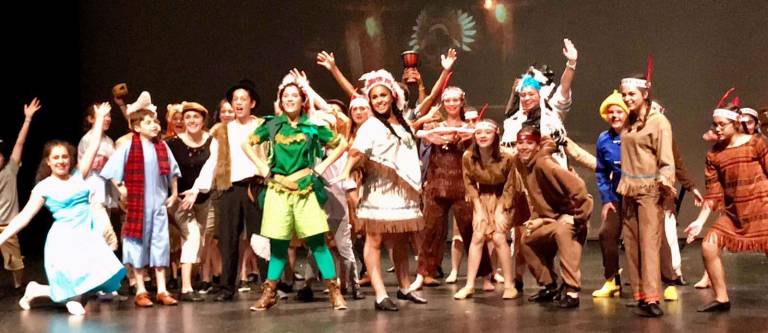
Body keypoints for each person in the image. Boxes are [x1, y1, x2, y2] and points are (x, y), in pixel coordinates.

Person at [0, 102, 125, 316]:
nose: (61, 161)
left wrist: (99, 119)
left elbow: (94, 146)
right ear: (48, 161)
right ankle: (66, 299)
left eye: (65, 157)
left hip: (86, 234)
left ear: (70, 159)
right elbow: (24, 217)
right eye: (56, 157)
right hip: (64, 240)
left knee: (95, 276)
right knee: (74, 283)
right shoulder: (44, 187)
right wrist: (2, 237)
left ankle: (37, 290)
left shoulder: (79, 174)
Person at [245, 69, 348, 311]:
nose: (289, 99)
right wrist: (260, 164)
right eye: (285, 96)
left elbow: (342, 143)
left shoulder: (311, 127)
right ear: (280, 101)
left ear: (302, 100)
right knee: (279, 245)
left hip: (305, 190)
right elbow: (245, 143)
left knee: (318, 242)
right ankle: (269, 292)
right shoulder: (272, 125)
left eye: (294, 95)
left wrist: (320, 167)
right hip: (278, 190)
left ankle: (334, 292)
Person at [340, 69, 426, 311]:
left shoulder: (404, 124)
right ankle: (380, 294)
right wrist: (346, 174)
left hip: (400, 193)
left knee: (399, 240)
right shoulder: (369, 126)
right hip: (378, 190)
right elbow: (356, 152)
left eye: (383, 95)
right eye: (374, 97)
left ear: (393, 96)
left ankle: (405, 287)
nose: (379, 100)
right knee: (374, 239)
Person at [185, 79, 268, 302]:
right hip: (229, 189)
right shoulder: (223, 131)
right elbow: (212, 162)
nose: (238, 103)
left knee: (260, 237)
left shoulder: (262, 126)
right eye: (234, 100)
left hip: (255, 186)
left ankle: (269, 285)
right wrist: (197, 188)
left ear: (252, 103)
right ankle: (227, 287)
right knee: (228, 238)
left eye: (243, 99)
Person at [685, 102, 768, 312]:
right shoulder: (714, 155)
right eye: (715, 125)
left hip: (762, 209)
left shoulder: (756, 143)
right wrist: (699, 221)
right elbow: (713, 194)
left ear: (735, 123)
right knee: (709, 245)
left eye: (722, 125)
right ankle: (722, 299)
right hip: (734, 214)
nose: (717, 129)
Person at [101, 92, 181, 307]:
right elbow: (111, 171)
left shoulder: (161, 146)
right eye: (148, 122)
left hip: (157, 204)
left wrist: (173, 194)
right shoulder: (128, 146)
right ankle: (141, 289)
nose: (154, 125)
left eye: (155, 121)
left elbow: (172, 172)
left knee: (160, 244)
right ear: (137, 127)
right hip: (138, 204)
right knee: (136, 243)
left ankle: (162, 289)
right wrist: (121, 188)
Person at [412, 85, 494, 291]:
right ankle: (422, 274)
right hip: (437, 183)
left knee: (471, 230)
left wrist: (468, 136)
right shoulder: (434, 126)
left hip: (462, 184)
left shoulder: (471, 127)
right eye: (447, 100)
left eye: (455, 100)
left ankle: (485, 276)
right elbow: (414, 131)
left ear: (461, 102)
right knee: (429, 231)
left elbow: (484, 144)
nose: (451, 104)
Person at [616, 74, 675, 317]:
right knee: (631, 244)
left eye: (632, 94)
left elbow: (666, 159)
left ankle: (652, 297)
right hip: (628, 189)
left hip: (650, 190)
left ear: (645, 94)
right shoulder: (628, 122)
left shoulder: (658, 121)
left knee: (650, 244)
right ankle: (640, 294)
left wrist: (666, 182)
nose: (627, 98)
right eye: (625, 94)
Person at [516, 126, 593, 308]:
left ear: (537, 146)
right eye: (520, 143)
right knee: (527, 239)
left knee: (562, 232)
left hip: (571, 217)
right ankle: (549, 285)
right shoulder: (521, 162)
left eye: (529, 143)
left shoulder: (544, 163)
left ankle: (572, 291)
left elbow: (579, 188)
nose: (524, 147)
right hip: (551, 218)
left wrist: (577, 218)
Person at [453, 119, 527, 300]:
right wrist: (478, 209)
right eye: (479, 133)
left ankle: (509, 285)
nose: (483, 136)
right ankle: (470, 285)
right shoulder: (468, 156)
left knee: (499, 236)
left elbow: (511, 185)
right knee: (477, 236)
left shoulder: (507, 156)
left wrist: (501, 209)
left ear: (496, 134)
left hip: (505, 196)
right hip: (483, 196)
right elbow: (469, 182)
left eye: (487, 132)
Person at [168, 101, 213, 302]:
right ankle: (185, 288)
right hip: (180, 199)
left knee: (200, 241)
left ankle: (190, 280)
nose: (192, 121)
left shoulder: (212, 142)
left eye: (196, 117)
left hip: (204, 197)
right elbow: (168, 172)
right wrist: (174, 194)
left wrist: (198, 191)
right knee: (192, 235)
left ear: (203, 120)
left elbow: (212, 170)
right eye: (188, 117)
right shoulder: (172, 143)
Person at [0, 98, 41, 292]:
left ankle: (18, 285)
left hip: (8, 225)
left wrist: (27, 119)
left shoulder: (10, 171)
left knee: (14, 260)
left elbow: (19, 143)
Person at [592, 91, 629, 298]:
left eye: (618, 111)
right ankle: (612, 280)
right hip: (617, 196)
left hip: (639, 194)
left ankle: (667, 281)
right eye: (610, 112)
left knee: (645, 239)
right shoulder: (603, 139)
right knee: (606, 234)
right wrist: (606, 200)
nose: (614, 116)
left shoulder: (636, 133)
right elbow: (601, 172)